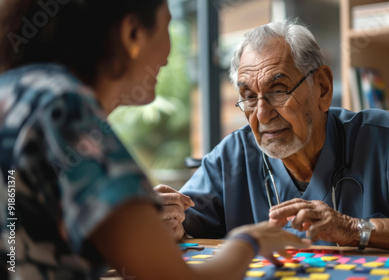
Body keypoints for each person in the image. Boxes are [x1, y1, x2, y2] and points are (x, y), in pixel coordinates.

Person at [0, 1, 311, 279]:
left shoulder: (16, 93)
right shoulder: (65, 109)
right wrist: (250, 241)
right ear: (133, 34)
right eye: (168, 22)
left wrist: (134, 212)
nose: (169, 53)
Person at [156, 19, 389, 253]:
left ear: (322, 88)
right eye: (248, 96)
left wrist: (356, 229)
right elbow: (181, 226)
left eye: (277, 90)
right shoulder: (233, 155)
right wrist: (166, 221)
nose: (261, 114)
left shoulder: (384, 138)